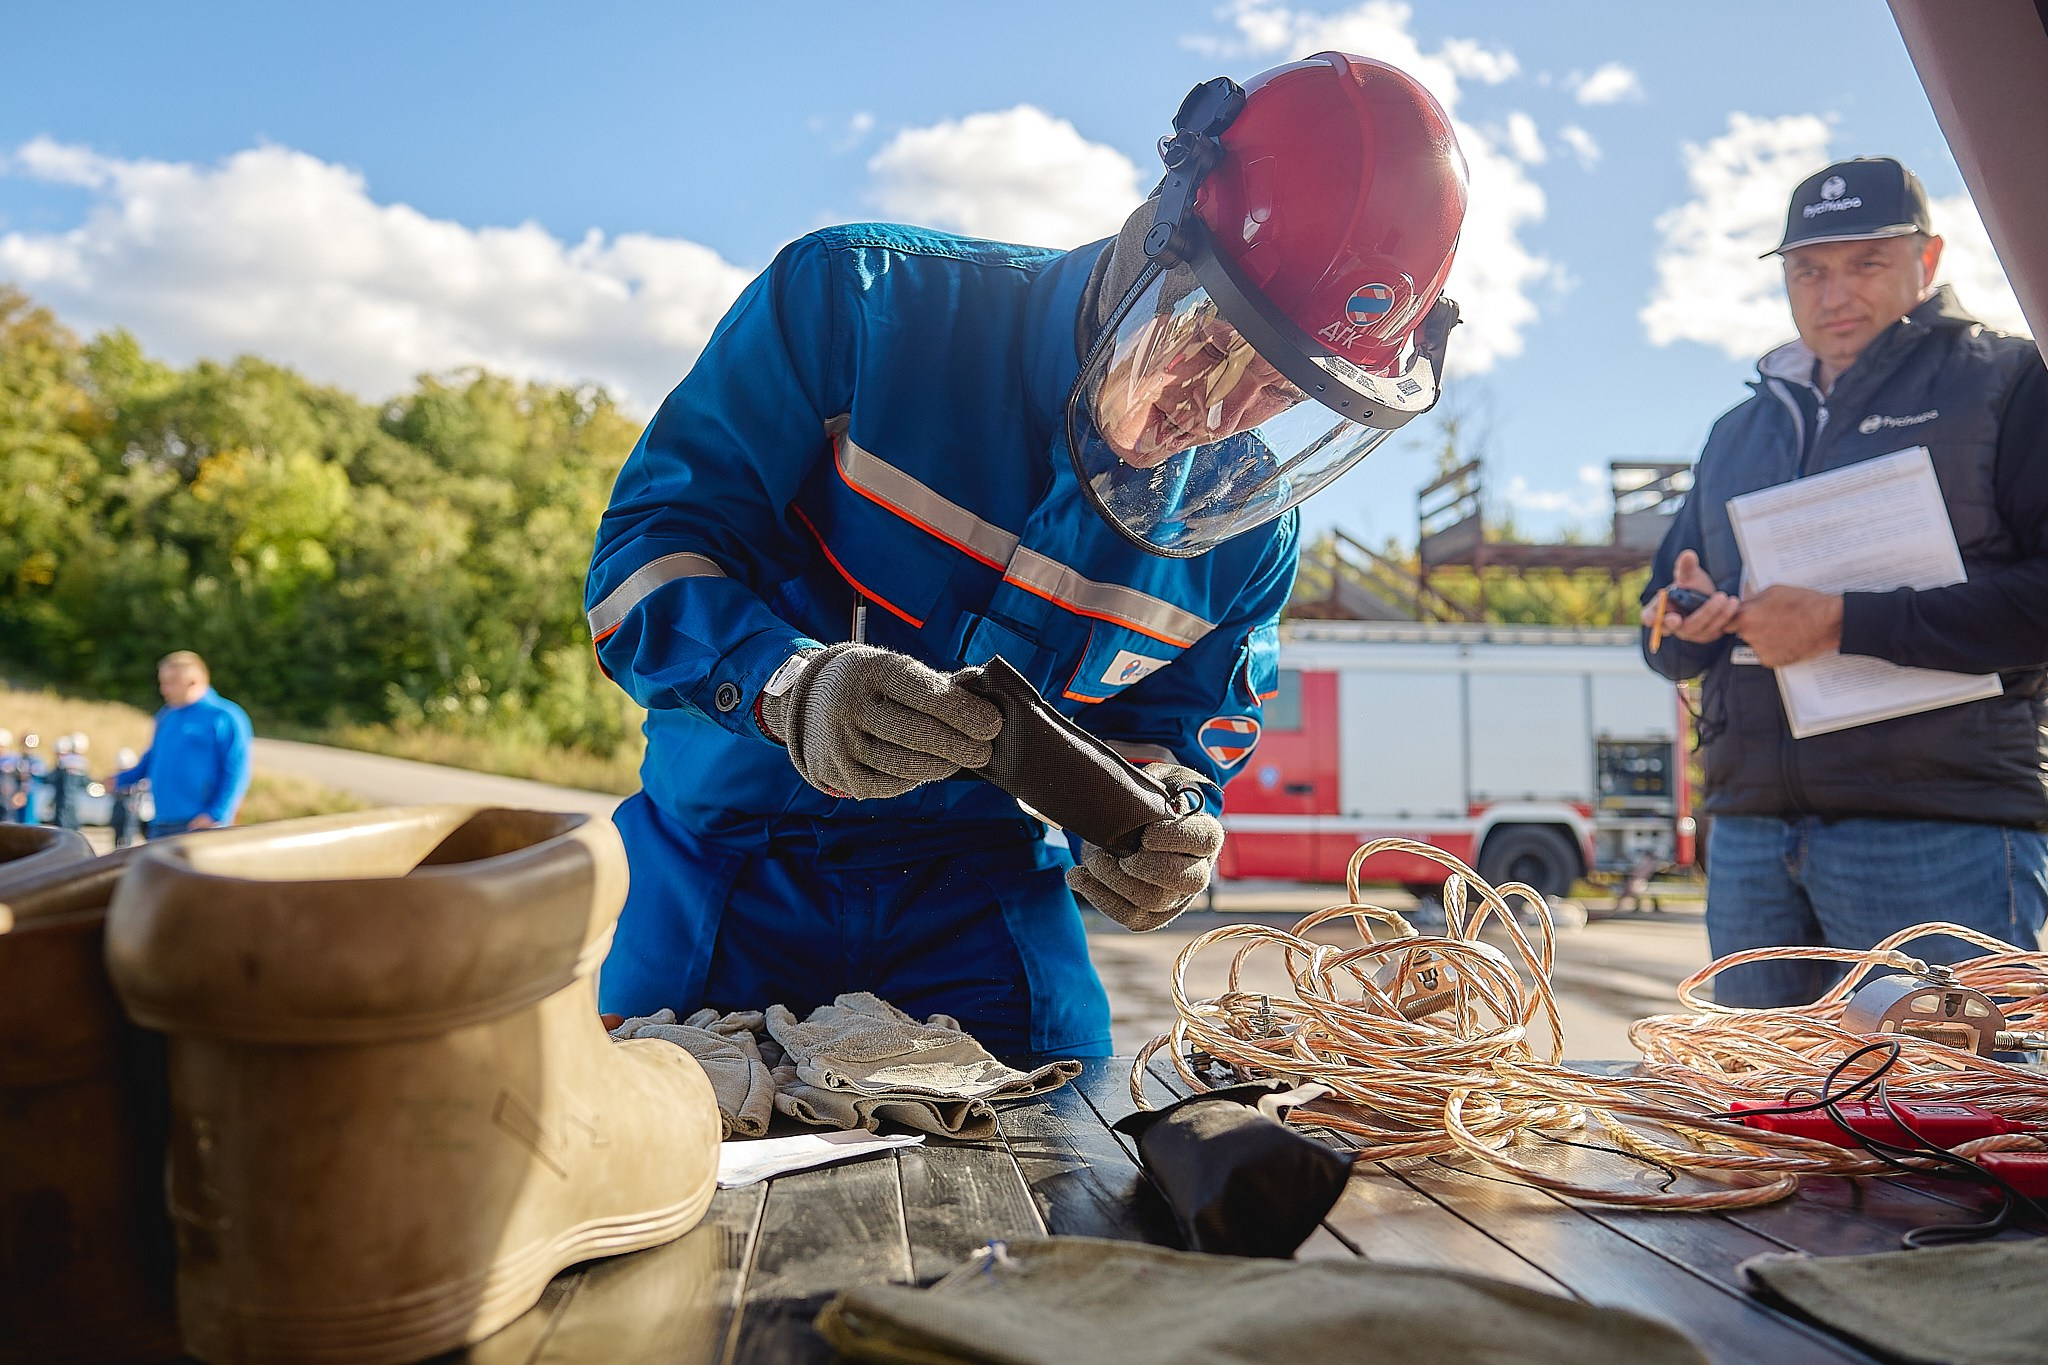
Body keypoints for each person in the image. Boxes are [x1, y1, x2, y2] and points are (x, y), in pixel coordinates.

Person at [586, 53, 1468, 1055]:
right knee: (646, 1158)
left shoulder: (1246, 530)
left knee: (1080, 1158)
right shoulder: (855, 308)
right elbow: (644, 556)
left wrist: (1160, 817)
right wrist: (788, 684)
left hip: (981, 891)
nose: (1217, 410)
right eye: (1212, 341)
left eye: (1277, 389)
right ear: (1157, 236)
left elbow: (1182, 730)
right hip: (726, 864)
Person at [1641, 157, 2048, 1007]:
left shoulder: (2010, 382)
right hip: (1752, 839)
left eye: (1866, 263)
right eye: (1809, 270)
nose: (1835, 294)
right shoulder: (1735, 432)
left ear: (1927, 262)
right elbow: (1663, 627)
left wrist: (1841, 624)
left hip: (1943, 836)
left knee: (1950, 1127)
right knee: (1766, 1129)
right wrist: (1682, 625)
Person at [117, 651, 253, 840]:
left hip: (199, 823)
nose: (164, 689)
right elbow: (151, 760)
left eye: (170, 682)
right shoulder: (166, 715)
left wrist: (215, 814)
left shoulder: (225, 716)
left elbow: (237, 772)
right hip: (160, 820)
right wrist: (118, 780)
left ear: (193, 681)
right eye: (162, 682)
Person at [109, 746, 141, 848]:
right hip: (119, 805)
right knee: (118, 827)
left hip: (129, 806)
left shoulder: (134, 778)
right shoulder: (119, 777)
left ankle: (126, 847)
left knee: (128, 830)